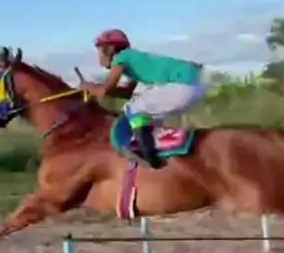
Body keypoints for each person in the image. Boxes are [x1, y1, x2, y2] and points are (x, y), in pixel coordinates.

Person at [79, 29, 205, 168]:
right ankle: (161, 146)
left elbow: (105, 89)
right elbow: (127, 93)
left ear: (110, 49)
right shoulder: (132, 59)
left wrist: (89, 87)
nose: (98, 56)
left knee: (133, 108)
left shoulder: (122, 58)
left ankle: (149, 155)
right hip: (193, 87)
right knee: (145, 112)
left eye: (99, 50)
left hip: (181, 85)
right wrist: (96, 89)